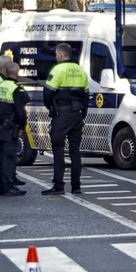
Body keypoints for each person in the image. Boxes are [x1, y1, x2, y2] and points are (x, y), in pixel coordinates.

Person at [41, 42, 90, 195]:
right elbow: (86, 96)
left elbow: (47, 93)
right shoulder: (81, 71)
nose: (56, 56)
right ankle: (76, 186)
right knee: (75, 151)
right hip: (77, 114)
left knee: (58, 148)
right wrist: (82, 114)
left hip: (61, 114)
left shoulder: (58, 70)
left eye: (56, 54)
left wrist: (51, 108)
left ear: (61, 55)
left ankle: (58, 185)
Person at [0, 60, 27, 197]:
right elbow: (20, 112)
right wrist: (22, 126)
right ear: (17, 74)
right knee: (8, 156)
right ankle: (8, 186)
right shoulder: (16, 89)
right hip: (8, 128)